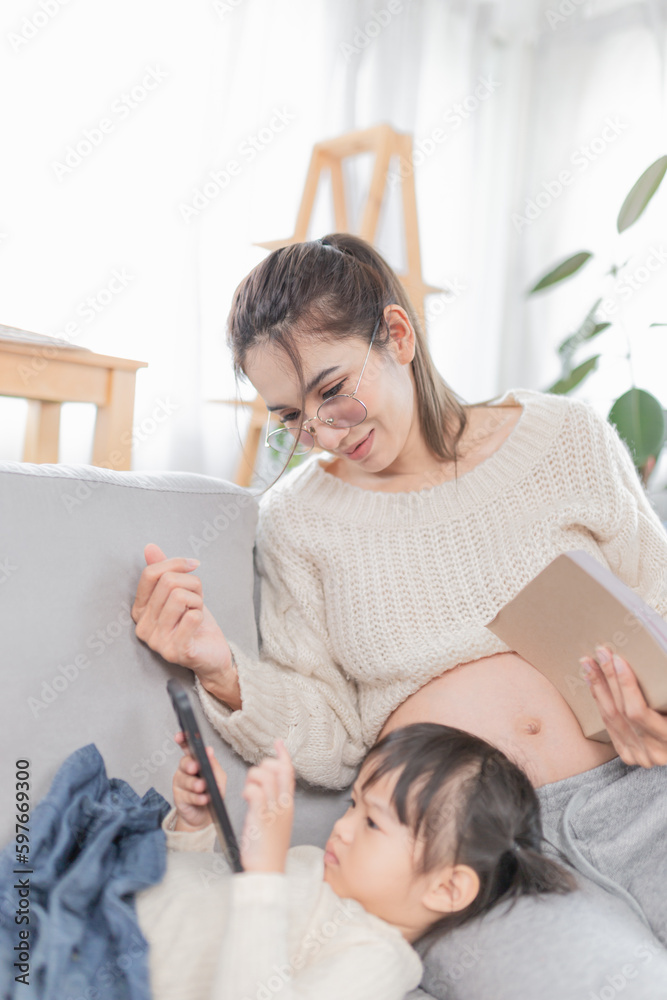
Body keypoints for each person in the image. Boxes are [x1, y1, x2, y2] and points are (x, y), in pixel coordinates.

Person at [131, 233, 667, 974]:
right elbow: (335, 735)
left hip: (640, 794)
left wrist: (656, 715)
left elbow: (656, 605)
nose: (320, 432)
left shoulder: (565, 437)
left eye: (331, 390)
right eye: (290, 417)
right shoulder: (296, 519)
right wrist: (220, 668)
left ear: (397, 335)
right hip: (462, 858)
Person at [135, 723, 575, 1000]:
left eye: (372, 824)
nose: (343, 827)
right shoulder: (315, 864)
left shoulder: (376, 958)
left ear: (445, 888)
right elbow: (201, 905)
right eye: (352, 804)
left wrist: (265, 876)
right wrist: (194, 829)